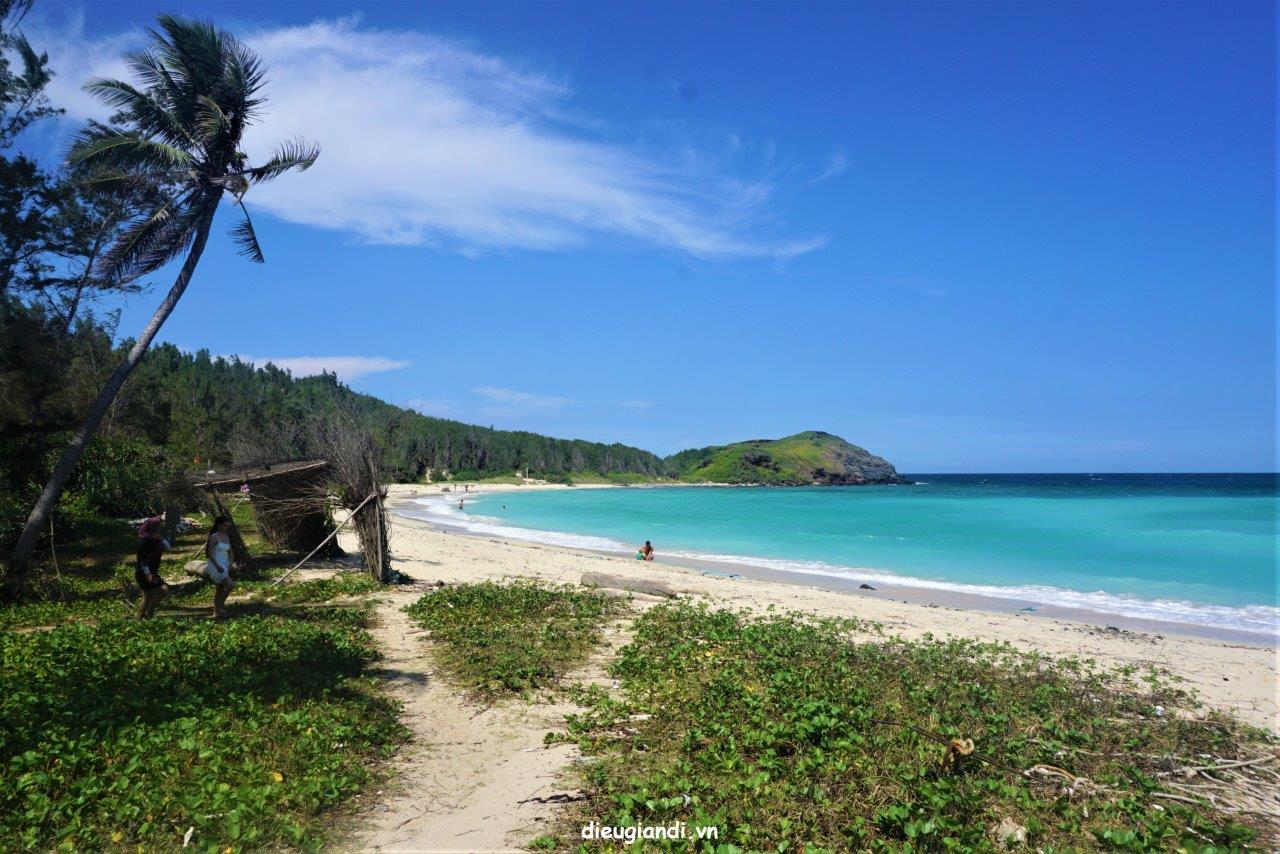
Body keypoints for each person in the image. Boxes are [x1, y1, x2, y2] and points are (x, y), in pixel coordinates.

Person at [205, 515, 235, 619]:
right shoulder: (214, 536)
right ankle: (219, 606)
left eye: (228, 526)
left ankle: (216, 613)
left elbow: (230, 551)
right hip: (216, 565)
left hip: (225, 564)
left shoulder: (226, 536)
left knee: (219, 589)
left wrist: (231, 563)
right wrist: (217, 566)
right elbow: (210, 553)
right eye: (225, 525)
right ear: (219, 525)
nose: (227, 528)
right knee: (231, 585)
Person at [135, 536, 169, 618]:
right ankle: (139, 619)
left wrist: (161, 538)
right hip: (144, 573)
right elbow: (143, 562)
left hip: (151, 573)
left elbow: (169, 548)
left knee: (161, 591)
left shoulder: (155, 543)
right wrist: (148, 574)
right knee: (147, 596)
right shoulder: (146, 544)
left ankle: (148, 613)